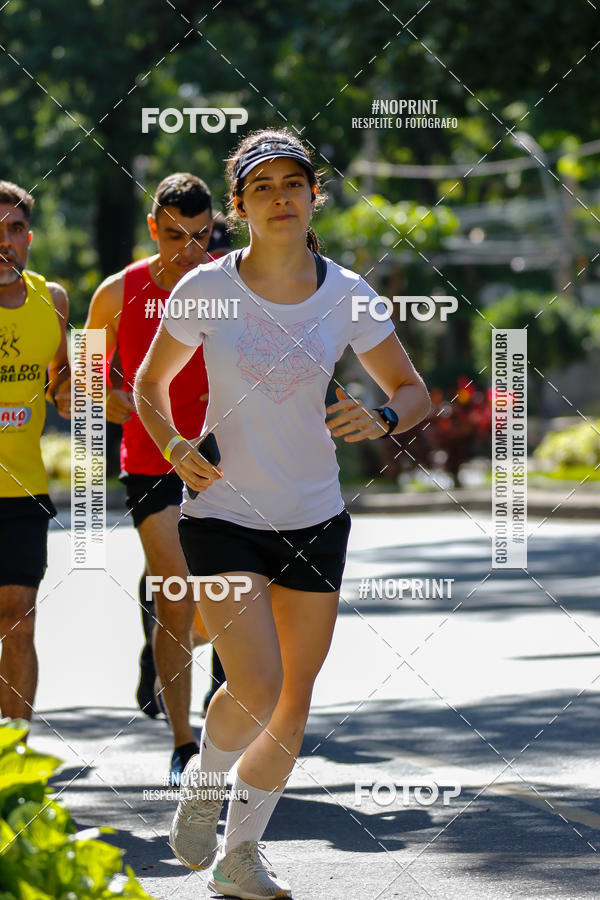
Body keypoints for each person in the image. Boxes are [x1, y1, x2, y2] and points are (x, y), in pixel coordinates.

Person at [135, 130, 431, 899]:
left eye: (292, 183)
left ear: (313, 196)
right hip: (222, 512)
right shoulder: (205, 289)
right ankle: (205, 785)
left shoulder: (349, 293)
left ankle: (240, 856)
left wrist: (386, 417)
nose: (278, 197)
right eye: (260, 187)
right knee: (257, 686)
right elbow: (147, 384)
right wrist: (170, 444)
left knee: (293, 704)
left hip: (316, 517)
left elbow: (411, 389)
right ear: (238, 205)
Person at [81, 173, 224, 783]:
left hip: (228, 456)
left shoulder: (235, 285)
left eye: (199, 237)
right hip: (151, 461)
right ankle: (184, 745)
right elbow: (84, 391)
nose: (187, 252)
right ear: (152, 228)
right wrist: (139, 407)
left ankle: (225, 709)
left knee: (227, 598)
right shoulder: (117, 294)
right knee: (176, 591)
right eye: (173, 236)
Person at [0, 180, 70, 725]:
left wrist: (87, 392)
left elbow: (63, 384)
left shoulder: (54, 300)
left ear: (29, 237)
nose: (5, 242)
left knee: (20, 618)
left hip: (24, 491)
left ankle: (15, 758)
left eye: (16, 229)